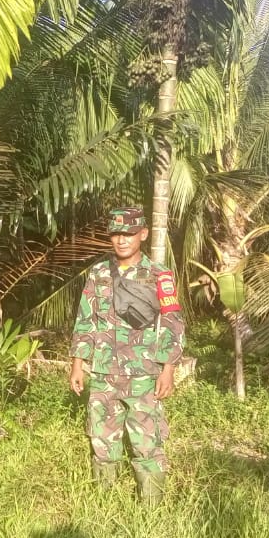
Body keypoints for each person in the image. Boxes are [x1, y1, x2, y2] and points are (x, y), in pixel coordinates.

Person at [69, 207, 185, 504]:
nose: (122, 240)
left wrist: (168, 368)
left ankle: (151, 508)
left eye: (129, 234)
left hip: (144, 376)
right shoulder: (98, 273)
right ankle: (103, 506)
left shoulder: (159, 275)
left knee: (147, 442)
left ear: (142, 234)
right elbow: (86, 320)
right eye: (116, 234)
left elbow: (172, 322)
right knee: (103, 441)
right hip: (104, 373)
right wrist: (78, 365)